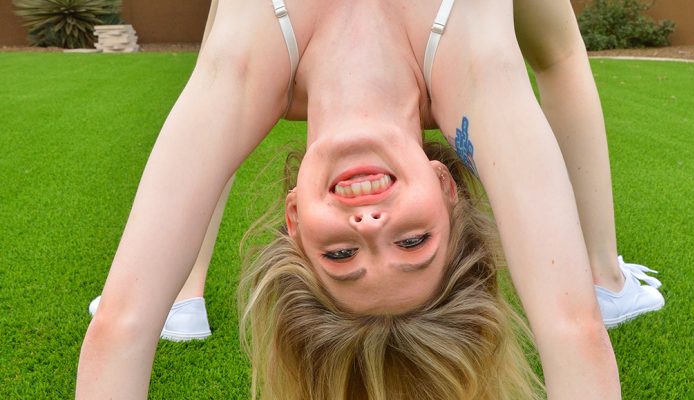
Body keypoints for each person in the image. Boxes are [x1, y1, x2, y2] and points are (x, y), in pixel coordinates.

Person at [78, 0, 627, 398]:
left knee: (216, 100)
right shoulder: (478, 71)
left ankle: (184, 292)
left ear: (296, 217)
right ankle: (605, 275)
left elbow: (122, 326)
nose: (369, 225)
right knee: (558, 52)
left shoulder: (244, 67)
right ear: (446, 189)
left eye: (341, 255)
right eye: (412, 242)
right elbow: (572, 330)